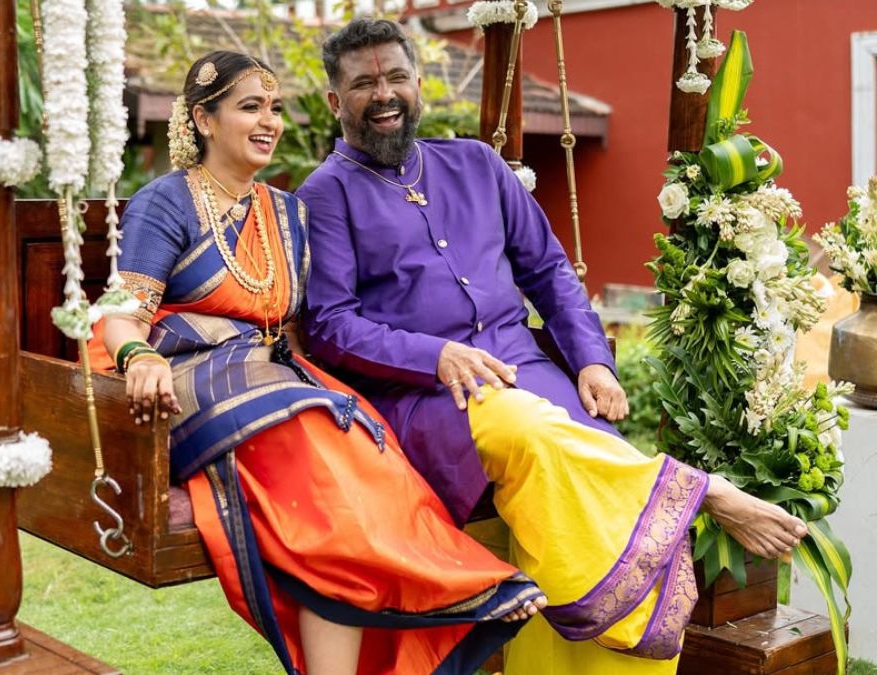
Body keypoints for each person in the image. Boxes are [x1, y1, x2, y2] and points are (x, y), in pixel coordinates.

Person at [295, 19, 809, 673]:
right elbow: (331, 324)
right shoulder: (324, 196)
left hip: (530, 370)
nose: (384, 93)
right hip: (429, 398)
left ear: (418, 83)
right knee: (533, 431)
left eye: (396, 76)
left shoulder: (476, 164)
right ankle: (698, 490)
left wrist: (592, 360)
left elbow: (549, 270)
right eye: (364, 84)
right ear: (335, 100)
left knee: (594, 523)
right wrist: (435, 355)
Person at [95, 50, 547, 675]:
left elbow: (303, 327)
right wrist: (137, 353)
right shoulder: (165, 202)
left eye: (274, 108)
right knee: (316, 446)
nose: (269, 121)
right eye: (250, 107)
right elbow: (122, 313)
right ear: (203, 119)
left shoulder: (286, 211)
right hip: (193, 379)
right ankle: (454, 582)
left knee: (365, 441)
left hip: (277, 377)